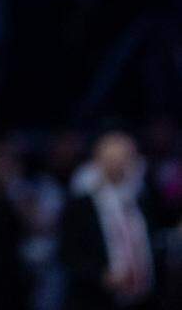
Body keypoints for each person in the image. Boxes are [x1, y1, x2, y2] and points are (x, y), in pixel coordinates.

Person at [61, 131, 156, 309]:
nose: (119, 164)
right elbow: (68, 254)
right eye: (112, 158)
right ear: (98, 160)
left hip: (144, 298)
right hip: (98, 299)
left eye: (125, 157)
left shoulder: (142, 198)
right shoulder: (81, 204)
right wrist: (101, 276)